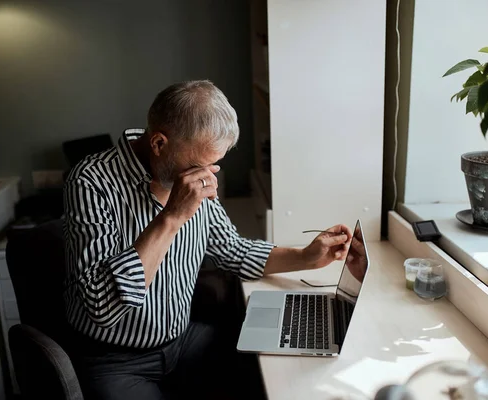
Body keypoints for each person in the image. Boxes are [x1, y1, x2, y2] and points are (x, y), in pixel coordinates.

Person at [63, 80, 352, 400]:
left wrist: (307, 257)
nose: (207, 178)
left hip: (183, 341)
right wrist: (172, 217)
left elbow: (232, 249)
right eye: (199, 166)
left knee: (273, 381)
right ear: (159, 143)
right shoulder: (90, 180)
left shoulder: (193, 176)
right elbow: (102, 306)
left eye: (214, 165)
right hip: (114, 359)